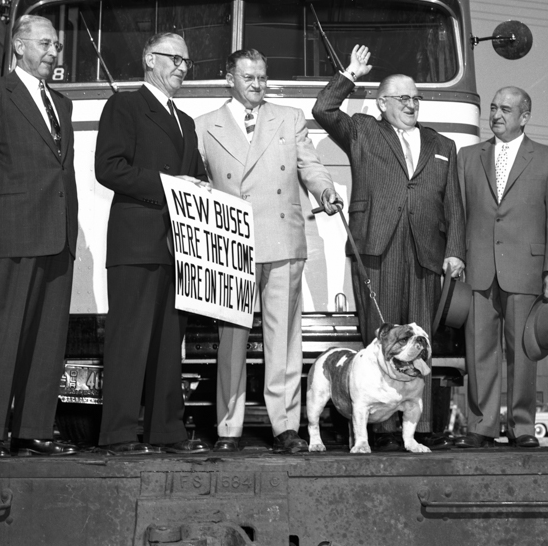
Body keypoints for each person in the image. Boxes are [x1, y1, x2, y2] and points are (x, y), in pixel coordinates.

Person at [312, 44, 466, 451]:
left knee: (420, 341)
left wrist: (455, 250)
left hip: (425, 253)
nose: (411, 104)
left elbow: (454, 204)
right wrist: (351, 72)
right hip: (376, 247)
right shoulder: (363, 130)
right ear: (382, 104)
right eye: (402, 98)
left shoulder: (443, 145)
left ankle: (417, 427)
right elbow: (323, 110)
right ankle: (376, 427)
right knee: (380, 338)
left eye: (415, 98)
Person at [195, 49, 342, 453]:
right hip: (232, 244)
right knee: (232, 341)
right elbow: (194, 177)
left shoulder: (290, 118)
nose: (257, 84)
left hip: (282, 239)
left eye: (262, 77)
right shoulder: (203, 126)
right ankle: (229, 428)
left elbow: (310, 165)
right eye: (248, 77)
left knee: (284, 340)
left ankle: (285, 428)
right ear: (230, 79)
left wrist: (324, 188)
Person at [0, 14, 79, 458]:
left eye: (57, 46)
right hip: (15, 232)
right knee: (5, 334)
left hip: (58, 237)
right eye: (45, 43)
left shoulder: (61, 104)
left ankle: (33, 431)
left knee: (48, 341)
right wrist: (0, 217)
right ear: (19, 46)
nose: (53, 52)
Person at [94, 32, 211, 455]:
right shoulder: (124, 105)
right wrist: (168, 184)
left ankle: (168, 431)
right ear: (148, 59)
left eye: (186, 62)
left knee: (167, 345)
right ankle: (118, 435)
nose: (182, 66)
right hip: (136, 243)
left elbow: (193, 176)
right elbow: (108, 167)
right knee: (129, 341)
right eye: (174, 58)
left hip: (176, 247)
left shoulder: (187, 122)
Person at [454, 86, 548, 448]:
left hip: (527, 270)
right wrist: (457, 255)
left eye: (505, 109)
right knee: (478, 350)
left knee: (522, 351)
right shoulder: (467, 157)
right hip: (478, 268)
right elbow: (458, 214)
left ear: (524, 117)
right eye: (492, 108)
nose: (496, 115)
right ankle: (481, 425)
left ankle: (522, 427)